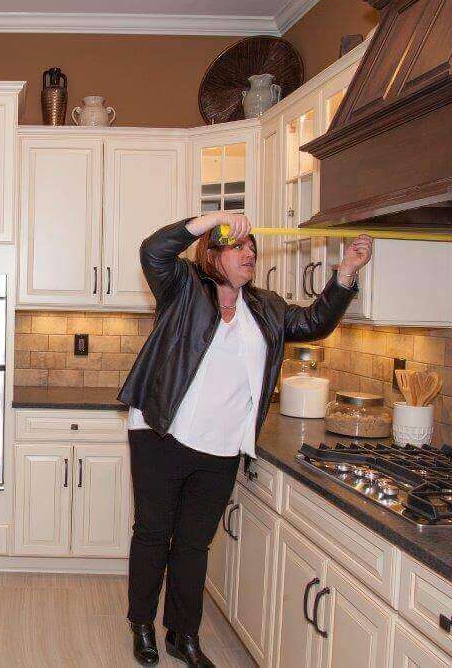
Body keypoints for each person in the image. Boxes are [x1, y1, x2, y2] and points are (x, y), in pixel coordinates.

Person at [119, 212, 372, 666]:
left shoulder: (267, 306)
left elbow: (314, 322)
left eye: (252, 247)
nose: (249, 252)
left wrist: (347, 273)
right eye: (239, 246)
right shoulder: (183, 288)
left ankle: (182, 634)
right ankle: (142, 625)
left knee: (194, 544)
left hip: (221, 446)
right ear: (213, 254)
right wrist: (213, 218)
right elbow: (152, 250)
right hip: (161, 434)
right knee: (153, 534)